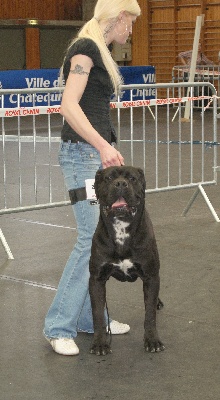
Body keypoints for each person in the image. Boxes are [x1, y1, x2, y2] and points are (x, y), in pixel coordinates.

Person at [43, 0, 141, 355]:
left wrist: (104, 149)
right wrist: (102, 146)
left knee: (98, 240)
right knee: (89, 240)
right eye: (129, 22)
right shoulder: (85, 49)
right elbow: (68, 105)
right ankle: (58, 326)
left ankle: (91, 319)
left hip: (92, 157)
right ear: (116, 18)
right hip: (82, 156)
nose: (131, 30)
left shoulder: (99, 52)